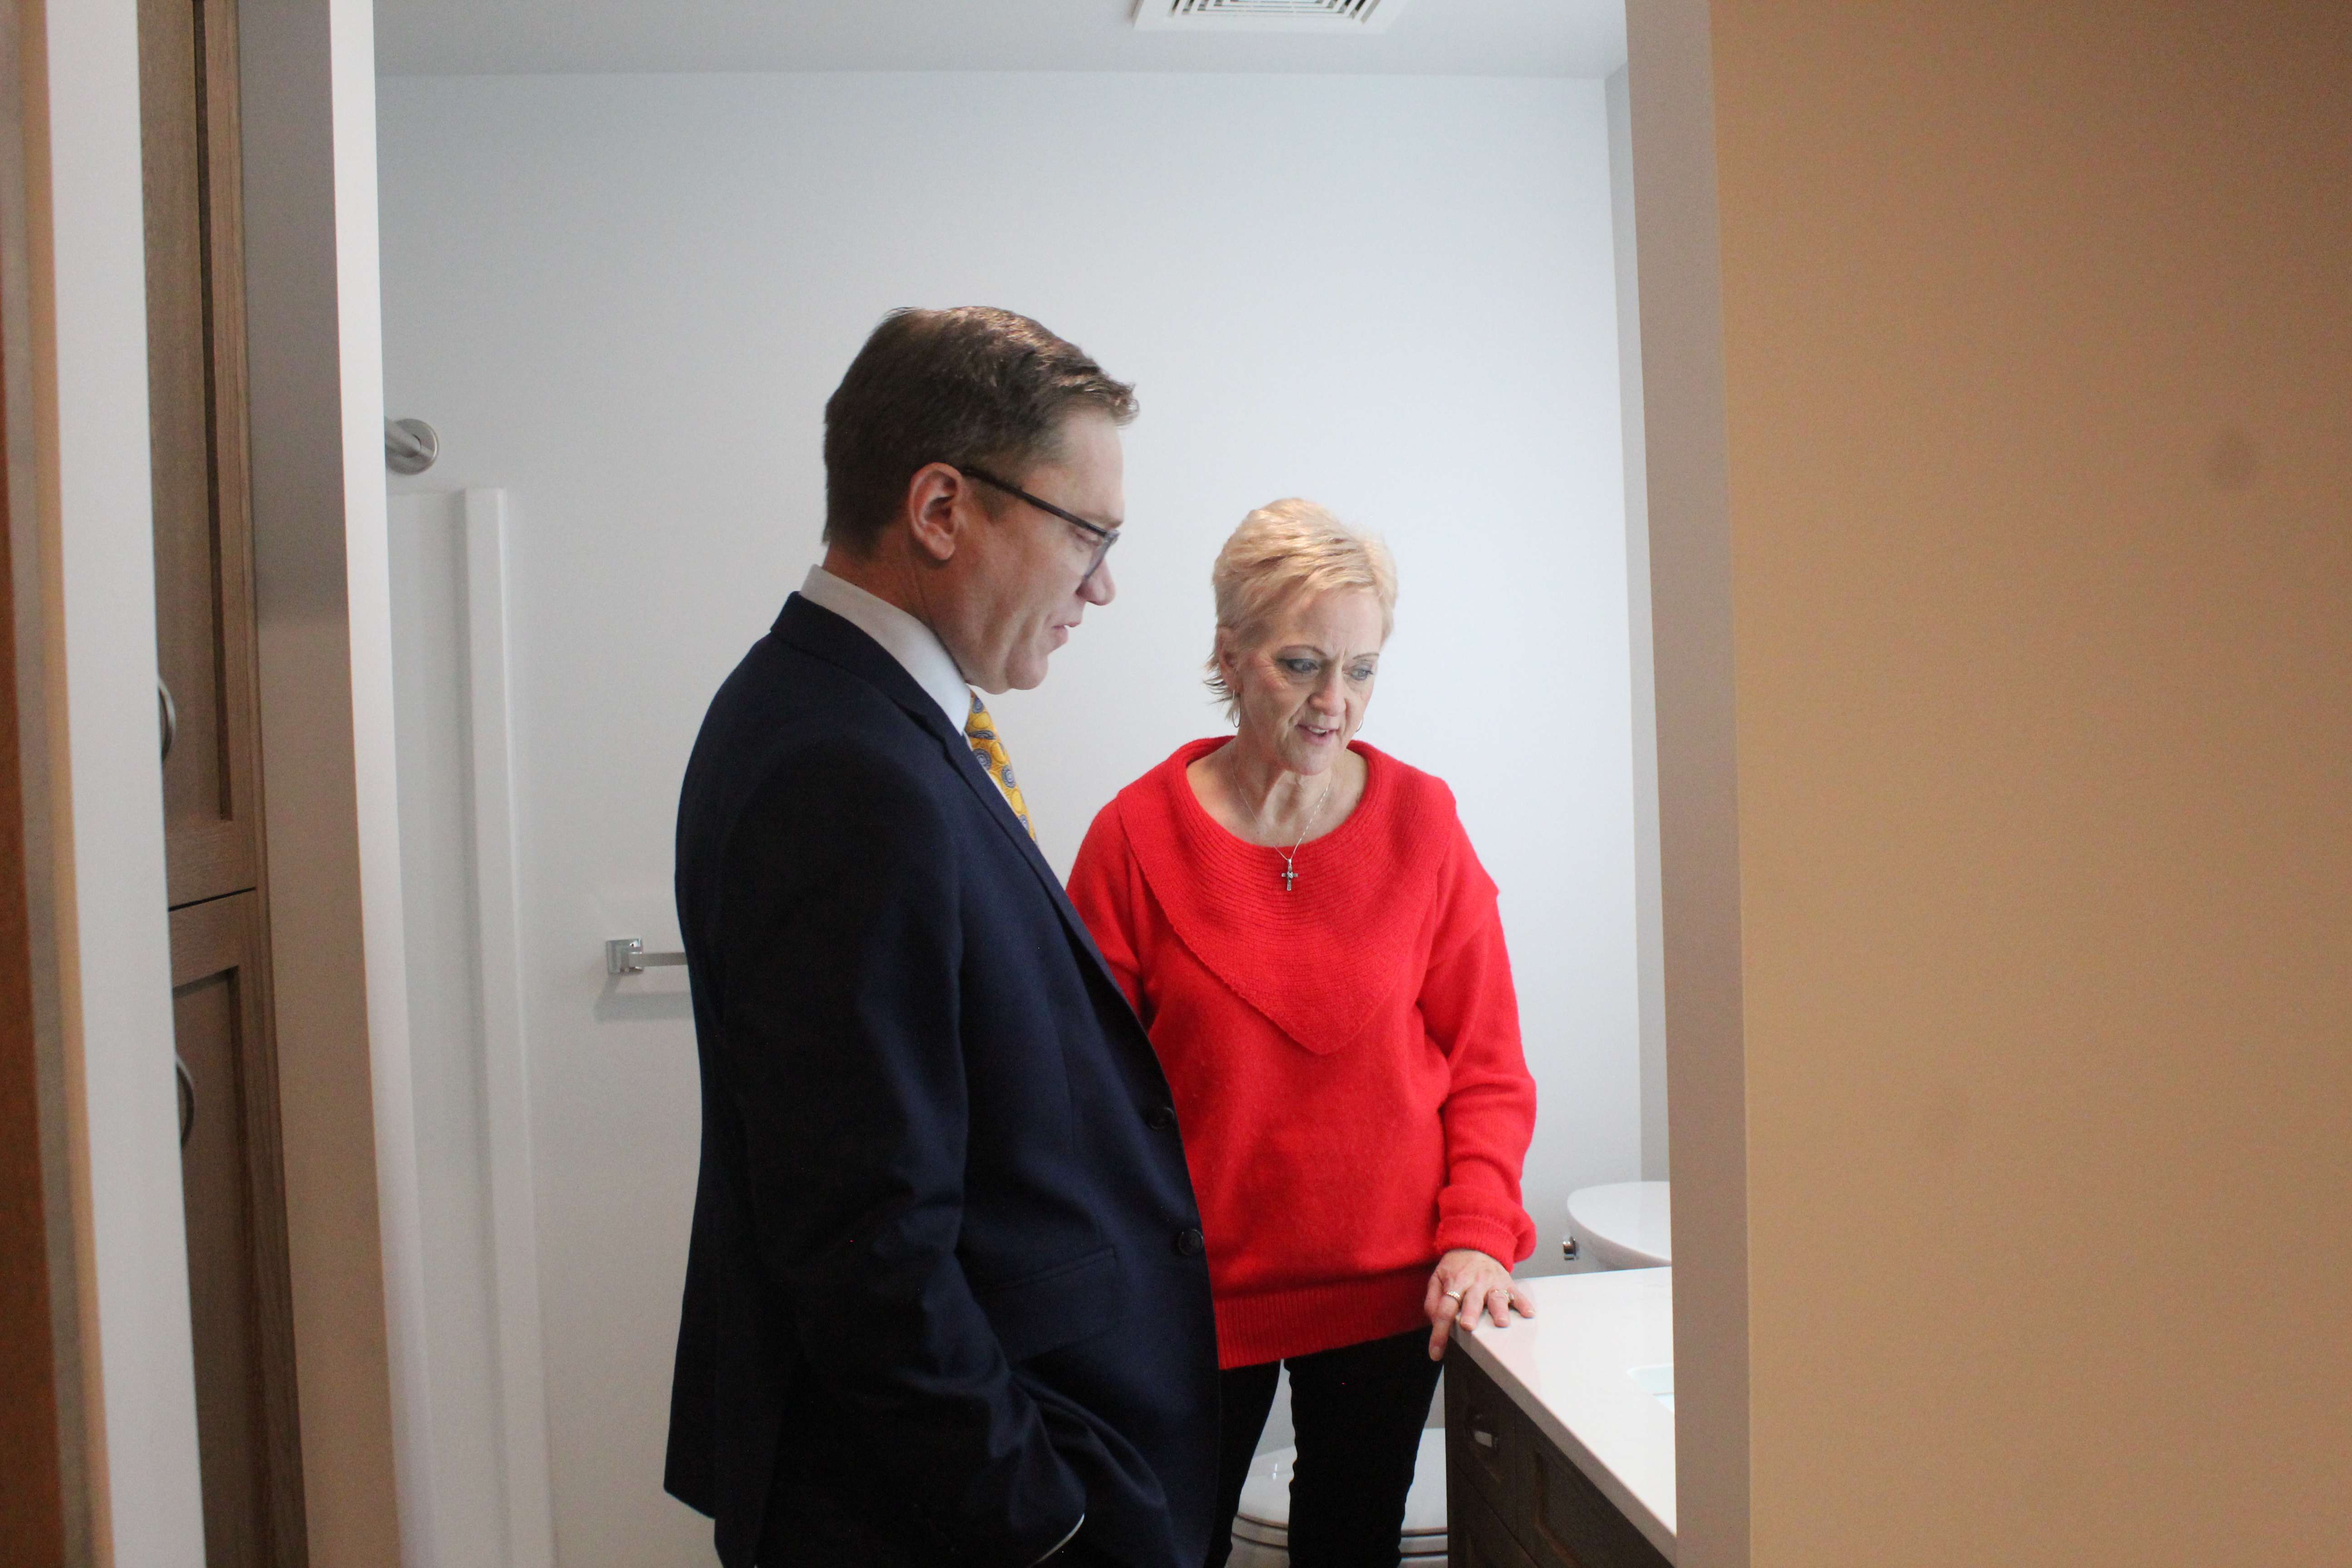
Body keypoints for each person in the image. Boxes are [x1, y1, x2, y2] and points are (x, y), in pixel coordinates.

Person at [666, 307, 1219, 1568]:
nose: (1105, 584)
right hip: (955, 1510)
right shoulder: (843, 767)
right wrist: (1046, 1520)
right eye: (1089, 534)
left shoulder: (853, 720)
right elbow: (867, 1243)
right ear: (939, 509)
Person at [1065, 500, 1539, 1568]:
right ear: (1228, 655)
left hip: (1388, 1292)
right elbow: (1079, 1102)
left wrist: (1476, 1226)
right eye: (1302, 664)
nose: (1336, 704)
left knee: (1350, 1549)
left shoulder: (1424, 822)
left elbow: (1488, 1064)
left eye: (1363, 670)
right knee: (1158, 1550)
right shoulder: (1135, 839)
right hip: (1192, 1299)